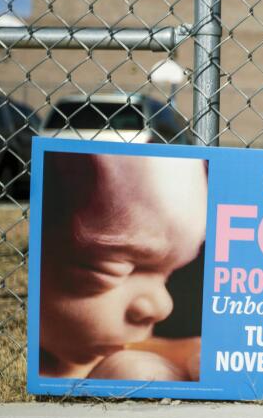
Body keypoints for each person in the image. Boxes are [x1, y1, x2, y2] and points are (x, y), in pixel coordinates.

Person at [38, 151, 207, 381]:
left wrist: (193, 354)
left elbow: (147, 348)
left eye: (167, 276)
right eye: (109, 271)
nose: (162, 307)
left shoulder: (98, 345)